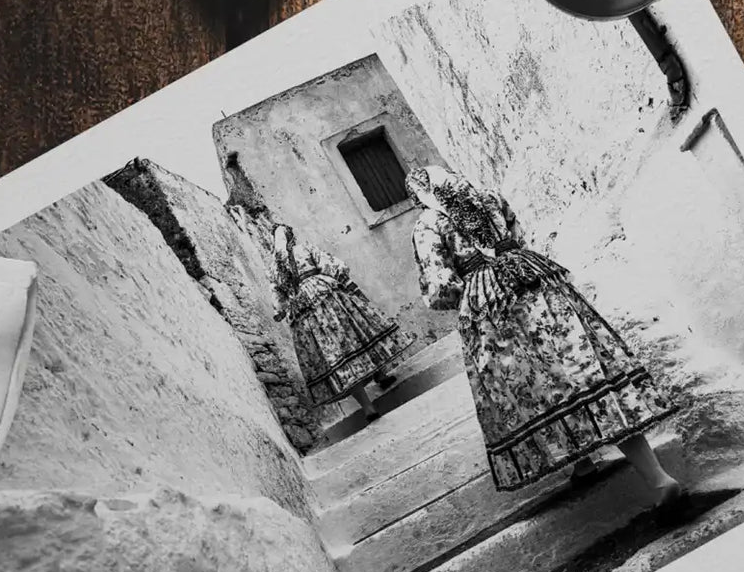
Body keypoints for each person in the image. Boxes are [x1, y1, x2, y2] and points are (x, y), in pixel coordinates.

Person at [405, 165, 683, 506]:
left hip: (494, 308)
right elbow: (518, 236)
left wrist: (472, 288)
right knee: (583, 373)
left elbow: (440, 287)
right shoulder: (490, 197)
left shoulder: (429, 225)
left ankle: (627, 474)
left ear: (422, 196)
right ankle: (641, 473)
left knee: (540, 389)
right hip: (534, 276)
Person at [272, 223, 409, 420]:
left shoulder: (274, 270)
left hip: (303, 315)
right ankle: (381, 375)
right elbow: (333, 266)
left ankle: (368, 407)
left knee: (334, 356)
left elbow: (278, 305)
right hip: (327, 296)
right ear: (291, 238)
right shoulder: (305, 248)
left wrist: (286, 307)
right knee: (355, 335)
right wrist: (343, 280)